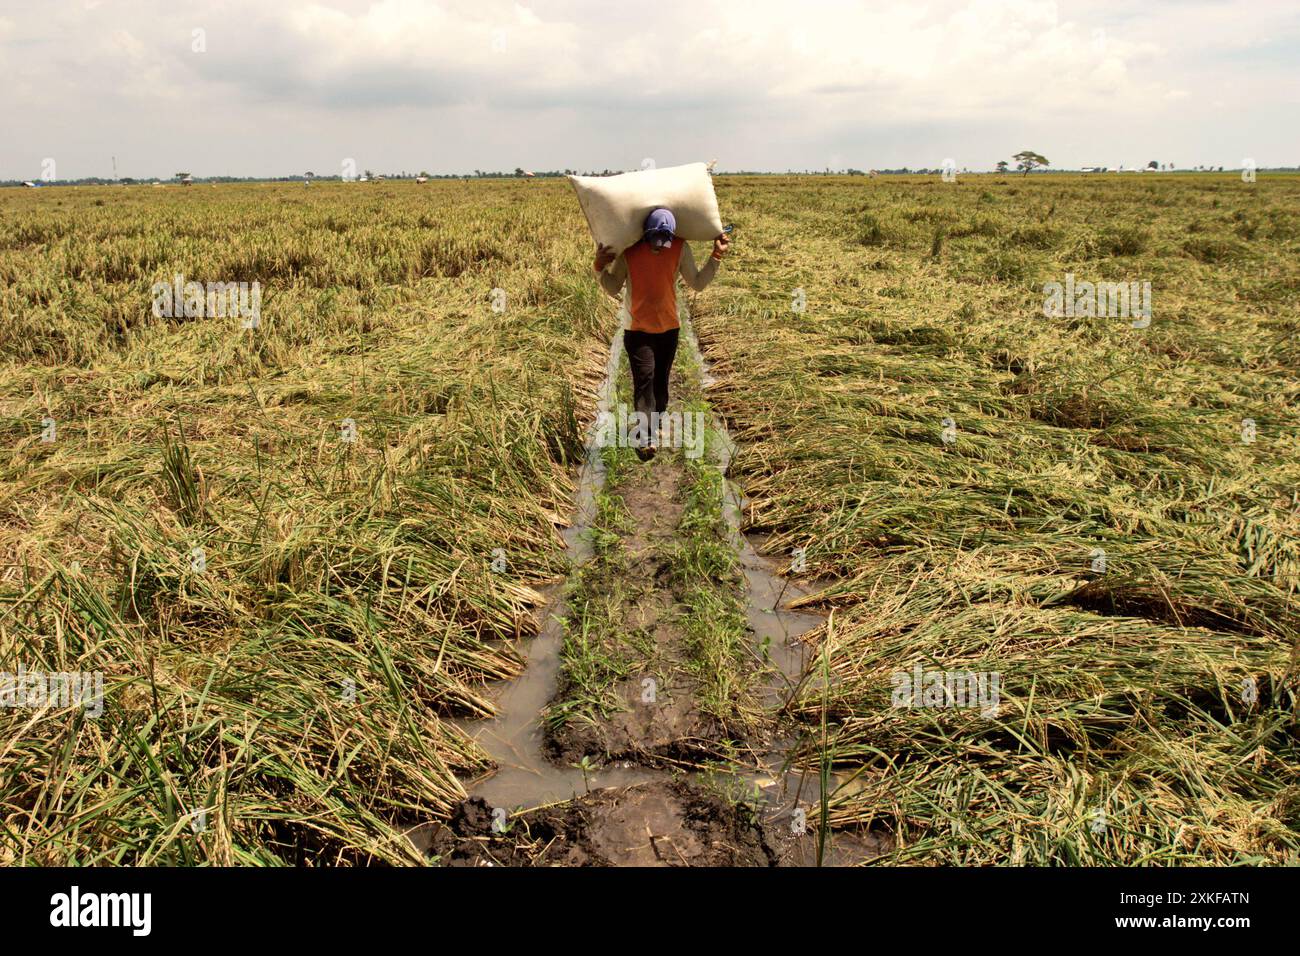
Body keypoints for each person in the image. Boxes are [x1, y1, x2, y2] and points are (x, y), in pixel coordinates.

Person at [593, 208, 729, 460]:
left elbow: (697, 282)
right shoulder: (630, 252)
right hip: (638, 331)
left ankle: (653, 427)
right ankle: (645, 438)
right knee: (644, 381)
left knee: (660, 386)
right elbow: (613, 288)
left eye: (662, 244)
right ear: (645, 235)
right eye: (654, 243)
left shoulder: (679, 248)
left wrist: (716, 256)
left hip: (669, 329)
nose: (659, 248)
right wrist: (599, 267)